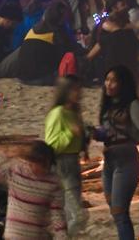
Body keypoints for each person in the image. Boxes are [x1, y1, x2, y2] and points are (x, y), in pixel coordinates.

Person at [94, 65, 139, 240]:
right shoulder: (107, 105)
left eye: (113, 80)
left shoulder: (132, 104)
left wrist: (121, 130)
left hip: (127, 161)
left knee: (120, 212)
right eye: (107, 79)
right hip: (109, 161)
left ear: (122, 84)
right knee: (115, 209)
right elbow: (105, 132)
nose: (108, 84)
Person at [44, 75, 87, 236]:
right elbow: (51, 144)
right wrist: (70, 132)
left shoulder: (73, 112)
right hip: (62, 164)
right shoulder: (58, 113)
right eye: (74, 89)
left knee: (68, 212)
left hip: (73, 162)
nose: (78, 93)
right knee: (78, 215)